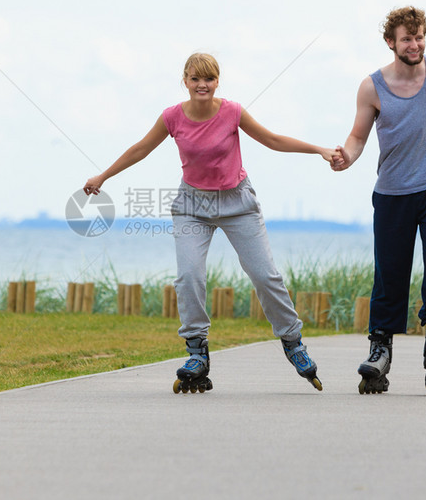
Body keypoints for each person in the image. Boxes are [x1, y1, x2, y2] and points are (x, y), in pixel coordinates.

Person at [83, 52, 338, 393]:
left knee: (265, 275)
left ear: (218, 81)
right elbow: (141, 149)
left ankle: (293, 342)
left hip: (238, 203)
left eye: (209, 78)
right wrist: (104, 175)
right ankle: (196, 351)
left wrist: (319, 150)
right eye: (195, 79)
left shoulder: (232, 111)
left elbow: (273, 140)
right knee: (189, 275)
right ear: (185, 81)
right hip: (192, 205)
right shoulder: (172, 117)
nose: (202, 85)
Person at [330, 6, 426, 394]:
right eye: (406, 39)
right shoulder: (372, 86)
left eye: (419, 37)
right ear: (390, 43)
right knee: (390, 272)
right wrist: (347, 155)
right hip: (393, 192)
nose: (414, 45)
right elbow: (359, 135)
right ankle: (380, 349)